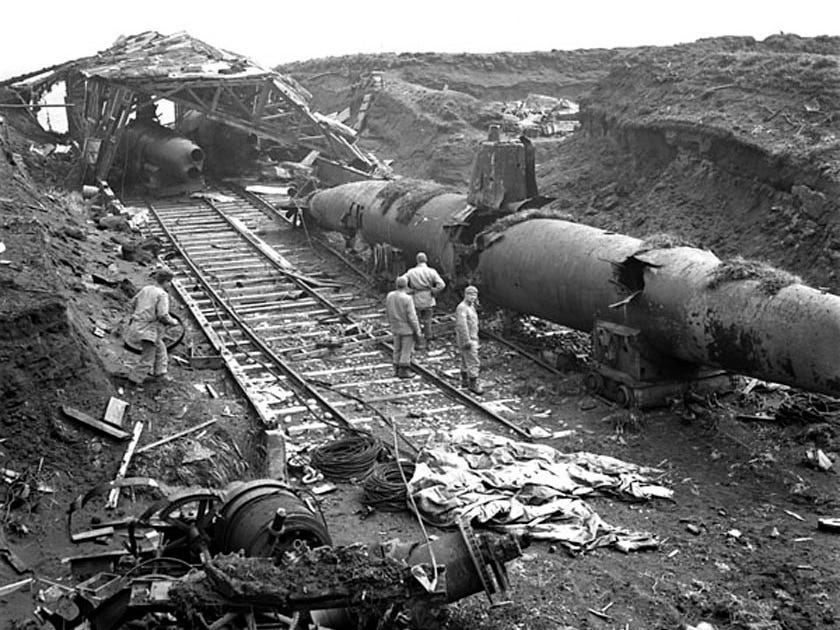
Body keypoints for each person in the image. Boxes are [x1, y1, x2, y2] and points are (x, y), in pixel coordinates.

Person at [127, 268, 179, 384]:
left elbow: (133, 303)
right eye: (169, 282)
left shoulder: (146, 289)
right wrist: (173, 322)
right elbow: (163, 315)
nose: (170, 285)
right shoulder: (162, 295)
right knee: (147, 359)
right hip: (149, 330)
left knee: (161, 349)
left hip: (137, 325)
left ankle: (160, 373)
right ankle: (133, 380)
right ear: (165, 282)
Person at [403, 252, 446, 349]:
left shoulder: (411, 272)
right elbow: (442, 285)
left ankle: (419, 342)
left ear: (417, 260)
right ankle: (429, 340)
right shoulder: (432, 271)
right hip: (428, 298)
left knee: (416, 320)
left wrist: (408, 290)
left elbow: (401, 280)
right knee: (428, 321)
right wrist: (434, 291)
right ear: (426, 260)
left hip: (416, 298)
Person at [385, 275, 423, 378]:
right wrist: (417, 330)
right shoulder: (407, 299)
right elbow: (412, 317)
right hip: (407, 328)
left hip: (395, 326)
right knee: (406, 349)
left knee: (397, 348)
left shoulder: (390, 295)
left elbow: (387, 310)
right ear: (406, 285)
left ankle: (396, 369)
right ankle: (404, 371)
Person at [454, 285, 483, 395]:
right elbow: (462, 325)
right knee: (473, 360)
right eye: (470, 294)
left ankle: (465, 380)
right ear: (465, 295)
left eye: (474, 295)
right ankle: (473, 382)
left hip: (472, 336)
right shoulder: (462, 307)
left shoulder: (471, 307)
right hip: (468, 338)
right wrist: (467, 340)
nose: (472, 297)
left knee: (465, 359)